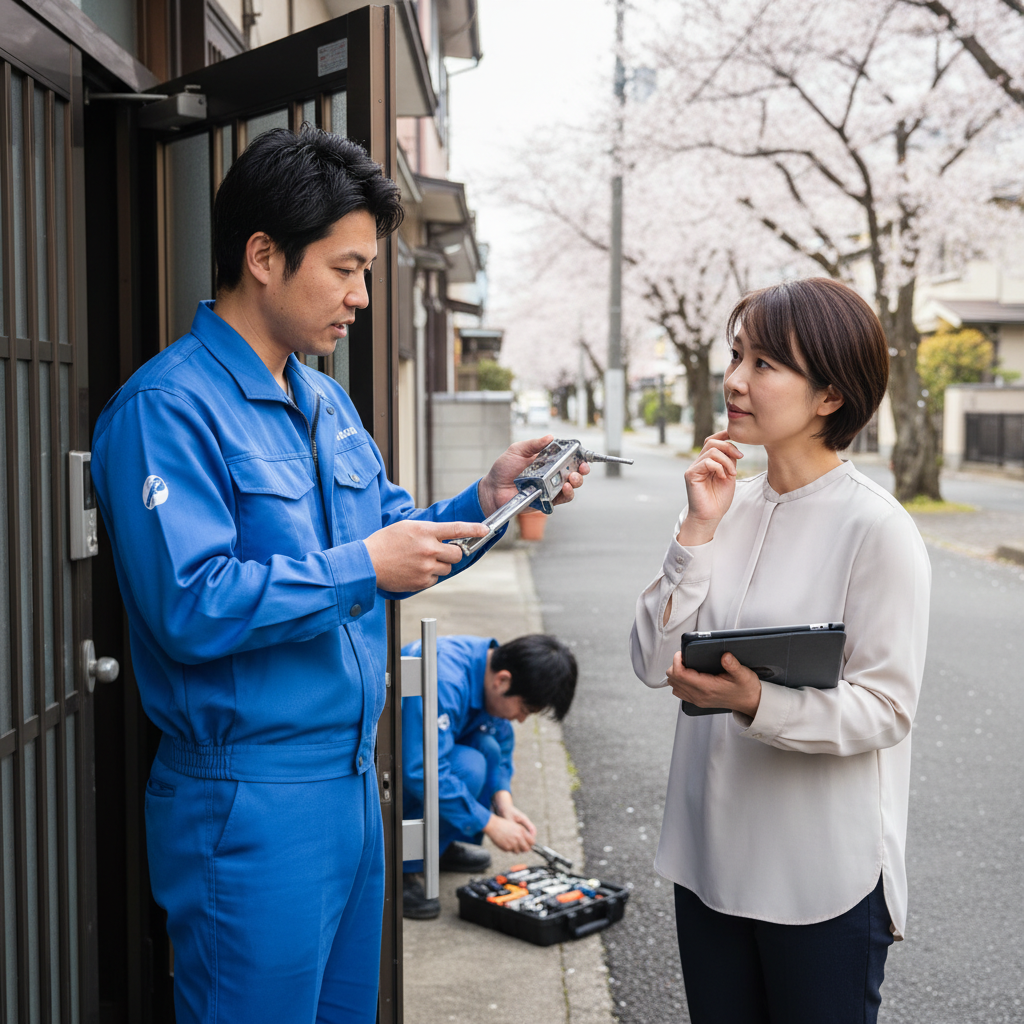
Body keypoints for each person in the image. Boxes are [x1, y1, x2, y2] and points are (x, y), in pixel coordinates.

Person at [90, 126, 588, 1024]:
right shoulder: (167, 408)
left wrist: (487, 497)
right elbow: (189, 607)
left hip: (355, 785)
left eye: (368, 272)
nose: (361, 297)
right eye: (346, 268)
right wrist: (363, 564)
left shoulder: (323, 399)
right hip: (248, 798)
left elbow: (395, 541)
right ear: (263, 256)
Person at [630, 278, 931, 1024]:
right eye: (737, 356)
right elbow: (648, 660)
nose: (734, 379)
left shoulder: (877, 530)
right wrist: (696, 532)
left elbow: (887, 710)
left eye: (764, 364)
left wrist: (756, 702)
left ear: (830, 395)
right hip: (708, 859)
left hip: (820, 876)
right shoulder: (722, 503)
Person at [399, 634, 578, 919]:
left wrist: (504, 805)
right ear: (502, 681)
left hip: (420, 752)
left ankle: (437, 846)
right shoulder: (445, 681)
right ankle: (400, 866)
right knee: (469, 766)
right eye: (526, 709)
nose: (521, 719)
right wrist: (489, 823)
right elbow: (421, 769)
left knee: (488, 748)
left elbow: (500, 743)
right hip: (385, 765)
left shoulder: (490, 665)